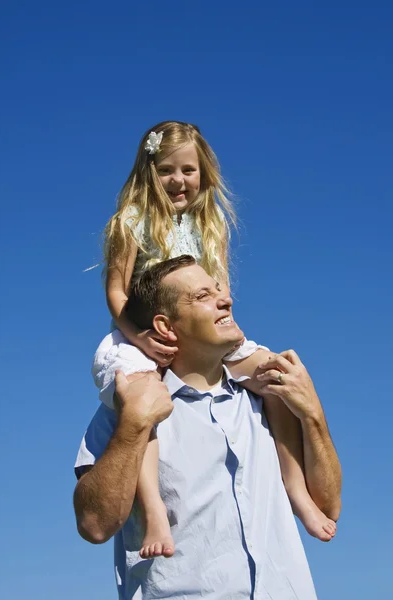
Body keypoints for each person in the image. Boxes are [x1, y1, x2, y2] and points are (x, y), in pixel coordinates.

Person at [94, 121, 336, 560]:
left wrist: (229, 333)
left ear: (203, 172)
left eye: (188, 169)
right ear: (149, 171)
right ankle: (153, 511)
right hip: (143, 330)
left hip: (201, 329)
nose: (178, 180)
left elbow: (219, 289)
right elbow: (117, 293)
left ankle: (295, 488)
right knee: (142, 403)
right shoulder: (132, 221)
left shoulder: (211, 223)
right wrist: (141, 338)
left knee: (272, 373)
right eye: (166, 170)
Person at [74, 256, 342, 600]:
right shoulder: (125, 409)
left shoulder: (266, 401)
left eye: (219, 290)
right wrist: (132, 428)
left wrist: (313, 414)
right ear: (166, 327)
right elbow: (95, 525)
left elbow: (328, 509)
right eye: (202, 296)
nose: (226, 300)